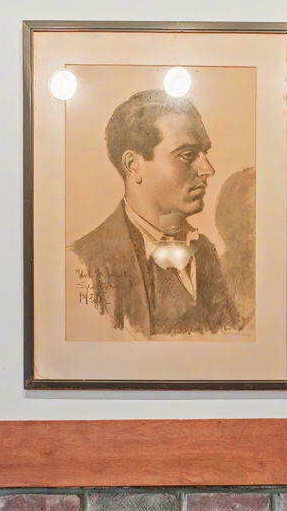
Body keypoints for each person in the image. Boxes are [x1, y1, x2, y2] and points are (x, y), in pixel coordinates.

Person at [71, 89, 240, 337]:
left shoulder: (205, 252)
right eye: (188, 155)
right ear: (133, 165)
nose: (207, 169)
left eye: (205, 154)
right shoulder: (84, 261)